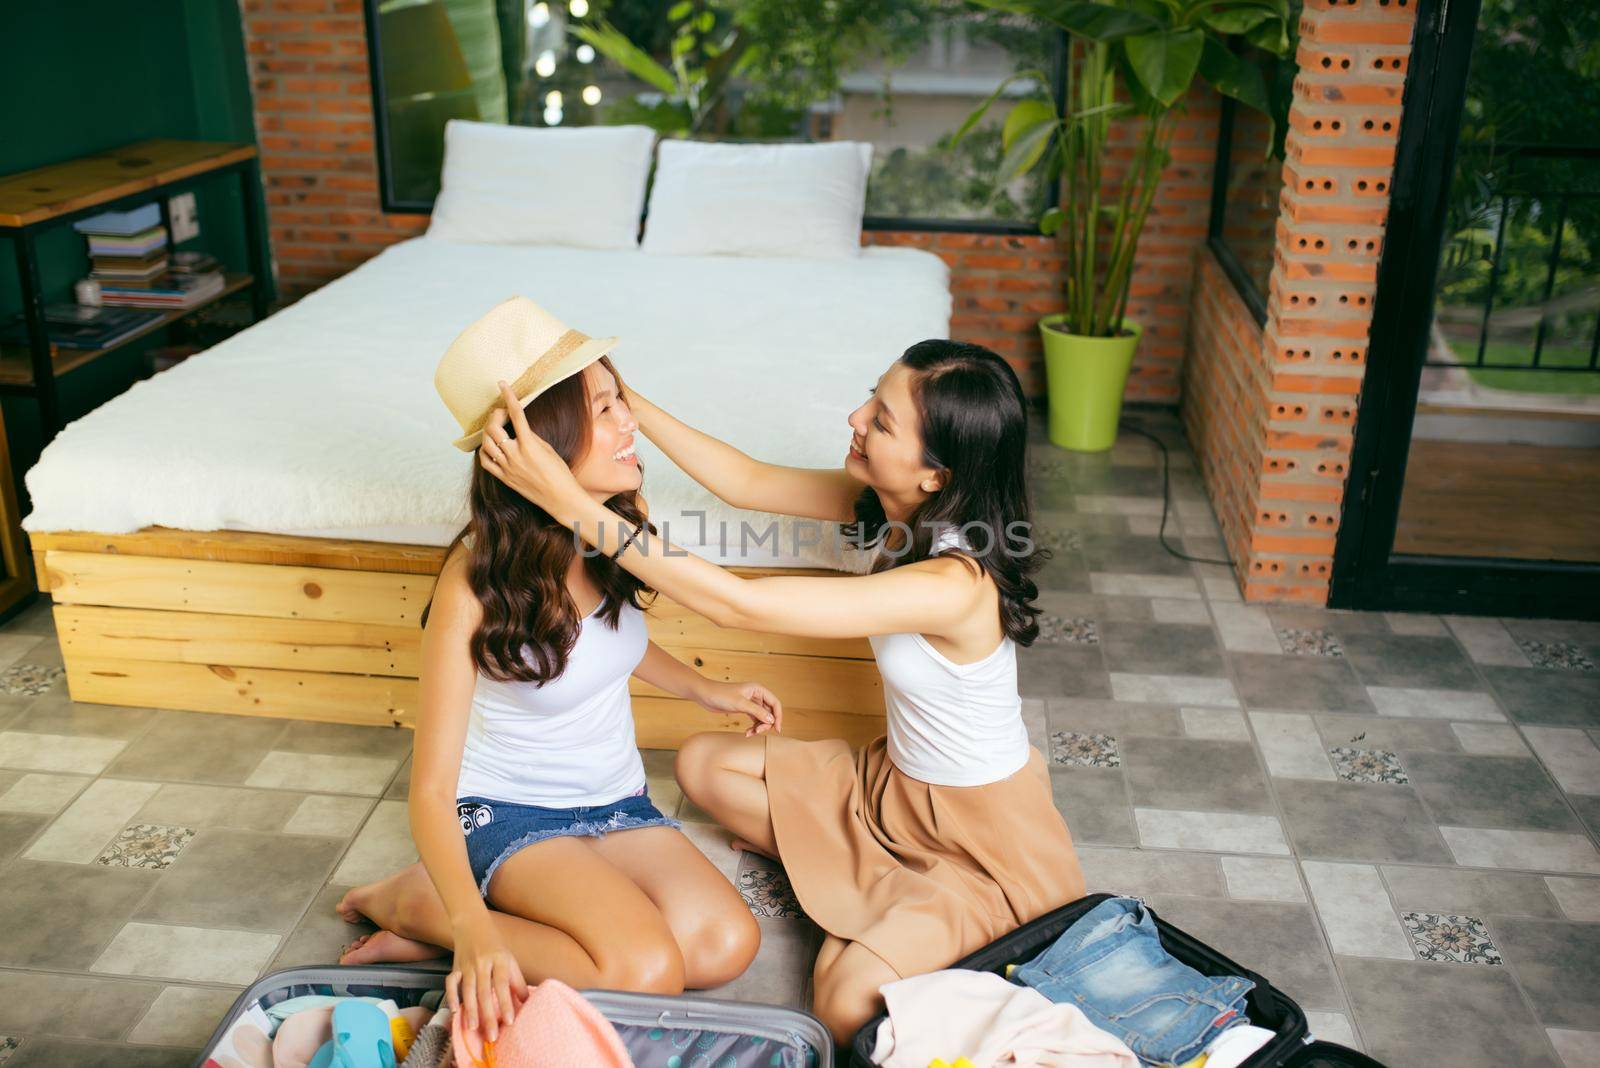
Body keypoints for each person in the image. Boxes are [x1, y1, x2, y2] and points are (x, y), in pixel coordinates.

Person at [480, 338, 1087, 1043]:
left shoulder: (954, 583)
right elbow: (745, 480)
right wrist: (620, 402)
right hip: (891, 787)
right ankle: (879, 887)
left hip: (980, 836)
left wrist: (566, 500)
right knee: (705, 764)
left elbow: (743, 607)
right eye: (872, 396)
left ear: (936, 474)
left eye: (882, 421)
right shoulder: (892, 510)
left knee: (839, 1006)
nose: (856, 417)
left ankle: (893, 898)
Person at [334, 298, 778, 1043]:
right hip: (506, 814)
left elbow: (605, 643)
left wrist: (705, 687)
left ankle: (450, 924)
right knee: (643, 970)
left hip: (615, 804)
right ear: (547, 441)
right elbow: (433, 788)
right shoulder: (473, 577)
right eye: (606, 408)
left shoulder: (610, 530)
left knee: (724, 945)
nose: (630, 423)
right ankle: (421, 904)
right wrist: (474, 931)